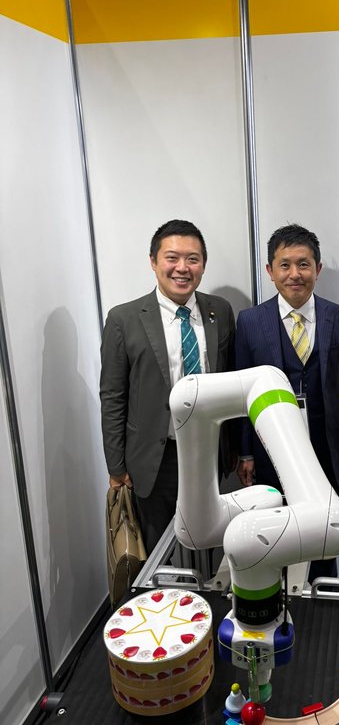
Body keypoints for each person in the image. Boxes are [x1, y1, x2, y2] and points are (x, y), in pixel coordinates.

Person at [100, 219, 235, 554]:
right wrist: (116, 466)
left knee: (211, 544)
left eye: (193, 259)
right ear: (153, 261)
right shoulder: (124, 319)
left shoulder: (220, 311)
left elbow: (231, 377)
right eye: (172, 258)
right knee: (161, 551)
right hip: (154, 458)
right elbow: (113, 396)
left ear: (203, 264)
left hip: (209, 450)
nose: (182, 268)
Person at [235, 224, 339, 579]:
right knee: (275, 525)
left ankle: (319, 589)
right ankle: (279, 591)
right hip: (270, 445)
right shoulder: (250, 321)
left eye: (303, 264)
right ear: (270, 270)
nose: (295, 274)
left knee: (324, 525)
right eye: (285, 265)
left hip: (326, 443)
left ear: (317, 269)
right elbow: (243, 393)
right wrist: (245, 453)